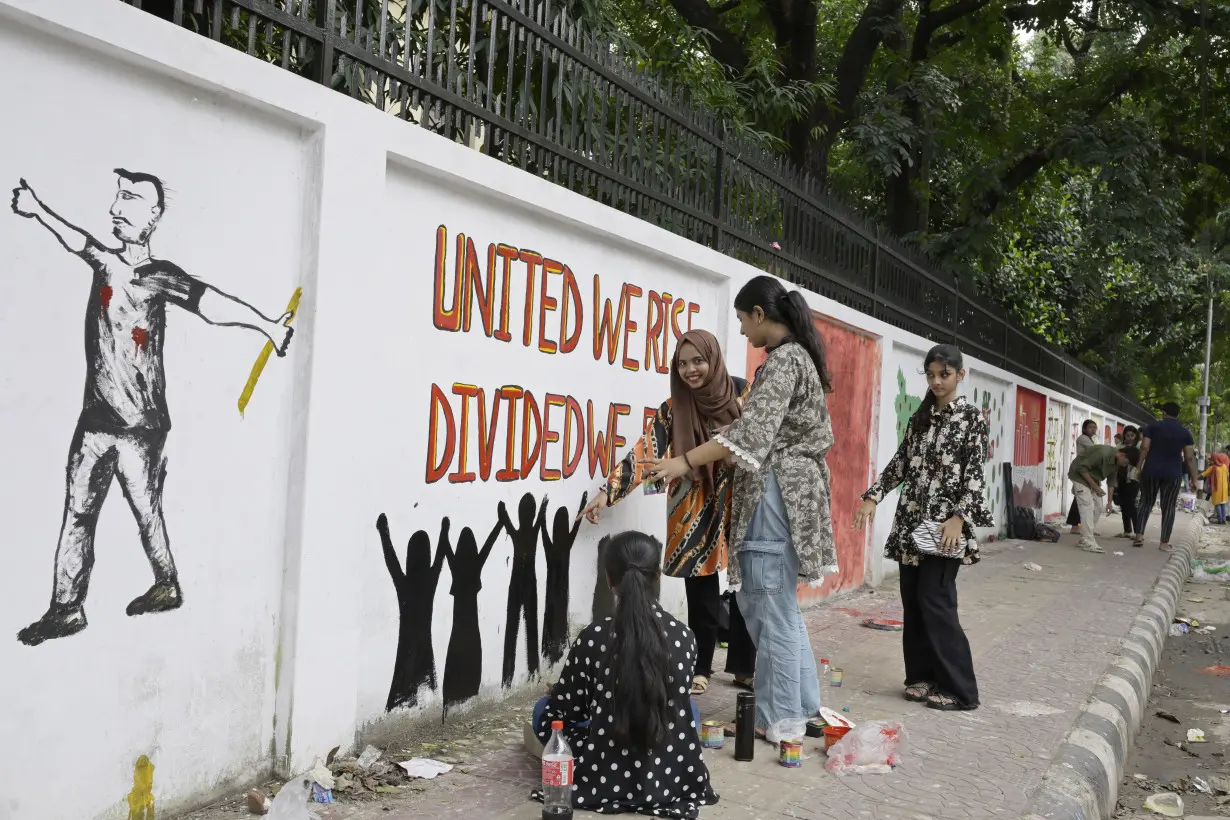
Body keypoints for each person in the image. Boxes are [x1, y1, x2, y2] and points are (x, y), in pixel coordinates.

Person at [11, 173, 295, 647]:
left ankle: (166, 583)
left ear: (155, 216)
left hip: (141, 428)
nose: (117, 208)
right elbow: (77, 239)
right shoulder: (104, 262)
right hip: (95, 419)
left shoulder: (159, 275)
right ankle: (66, 608)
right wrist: (38, 209)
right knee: (77, 513)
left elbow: (211, 304)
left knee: (147, 512)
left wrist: (267, 325)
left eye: (132, 199)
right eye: (117, 197)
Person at [642, 275, 837, 741]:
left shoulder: (786, 361)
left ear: (760, 314)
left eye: (743, 321)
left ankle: (781, 719)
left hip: (776, 495)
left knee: (770, 608)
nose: (744, 334)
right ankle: (800, 708)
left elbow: (749, 438)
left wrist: (683, 461)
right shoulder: (793, 360)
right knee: (775, 607)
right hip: (784, 493)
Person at [579, 329, 756, 695]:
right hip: (694, 500)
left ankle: (744, 665)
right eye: (683, 363)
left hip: (742, 496)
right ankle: (701, 665)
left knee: (746, 581)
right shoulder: (674, 407)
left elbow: (755, 442)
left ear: (714, 359)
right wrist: (605, 494)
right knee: (701, 585)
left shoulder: (744, 394)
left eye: (698, 361)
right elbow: (645, 453)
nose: (691, 370)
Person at [529, 531, 719, 818]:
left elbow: (564, 710)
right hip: (668, 770)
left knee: (543, 710)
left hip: (606, 763)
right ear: (657, 576)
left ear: (609, 580)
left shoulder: (594, 637)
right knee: (688, 709)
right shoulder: (684, 636)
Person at [853, 345, 993, 712]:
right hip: (912, 524)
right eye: (930, 374)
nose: (936, 381)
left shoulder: (971, 418)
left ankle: (960, 690)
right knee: (913, 601)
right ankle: (920, 676)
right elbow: (902, 461)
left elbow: (975, 473)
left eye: (943, 375)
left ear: (961, 375)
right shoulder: (922, 415)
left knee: (937, 602)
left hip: (946, 527)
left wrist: (959, 518)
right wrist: (873, 496)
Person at [1135, 403, 1199, 551]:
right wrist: (1194, 478)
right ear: (1178, 415)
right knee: (1168, 506)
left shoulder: (1152, 427)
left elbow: (1144, 447)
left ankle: (1138, 535)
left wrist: (1138, 466)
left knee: (1146, 501)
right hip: (1173, 473)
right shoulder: (1185, 432)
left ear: (1163, 412)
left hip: (1151, 470)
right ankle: (1164, 543)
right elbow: (1189, 458)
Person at [1069, 444, 1139, 554]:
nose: (1125, 466)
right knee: (1087, 505)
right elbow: (1081, 468)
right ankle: (1088, 541)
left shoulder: (1116, 463)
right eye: (1126, 462)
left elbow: (1111, 481)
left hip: (1093, 478)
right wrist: (1095, 486)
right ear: (1122, 455)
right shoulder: (1103, 453)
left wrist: (1109, 503)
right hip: (1079, 475)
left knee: (1098, 507)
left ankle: (1085, 538)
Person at [1067, 420, 1098, 535]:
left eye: (1094, 427)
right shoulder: (1083, 438)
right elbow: (1095, 451)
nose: (1093, 429)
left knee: (1081, 498)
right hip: (1081, 471)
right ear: (1084, 429)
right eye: (1090, 427)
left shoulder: (1090, 439)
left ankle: (1079, 526)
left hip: (1085, 471)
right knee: (1080, 498)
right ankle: (1075, 526)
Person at [1115, 426, 1143, 539]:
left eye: (1132, 435)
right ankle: (1127, 531)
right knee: (1123, 504)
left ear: (1135, 435)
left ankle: (1138, 532)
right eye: (1127, 435)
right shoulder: (1120, 446)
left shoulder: (1140, 446)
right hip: (1121, 478)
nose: (1130, 438)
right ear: (1124, 436)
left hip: (1134, 478)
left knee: (1131, 504)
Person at [1202, 453, 1229, 525]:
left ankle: (1220, 520)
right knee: (1223, 504)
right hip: (1225, 488)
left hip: (1217, 488)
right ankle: (1224, 520)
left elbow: (1205, 473)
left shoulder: (1213, 467)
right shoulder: (1224, 466)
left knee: (1217, 504)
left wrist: (1196, 477)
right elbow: (1227, 476)